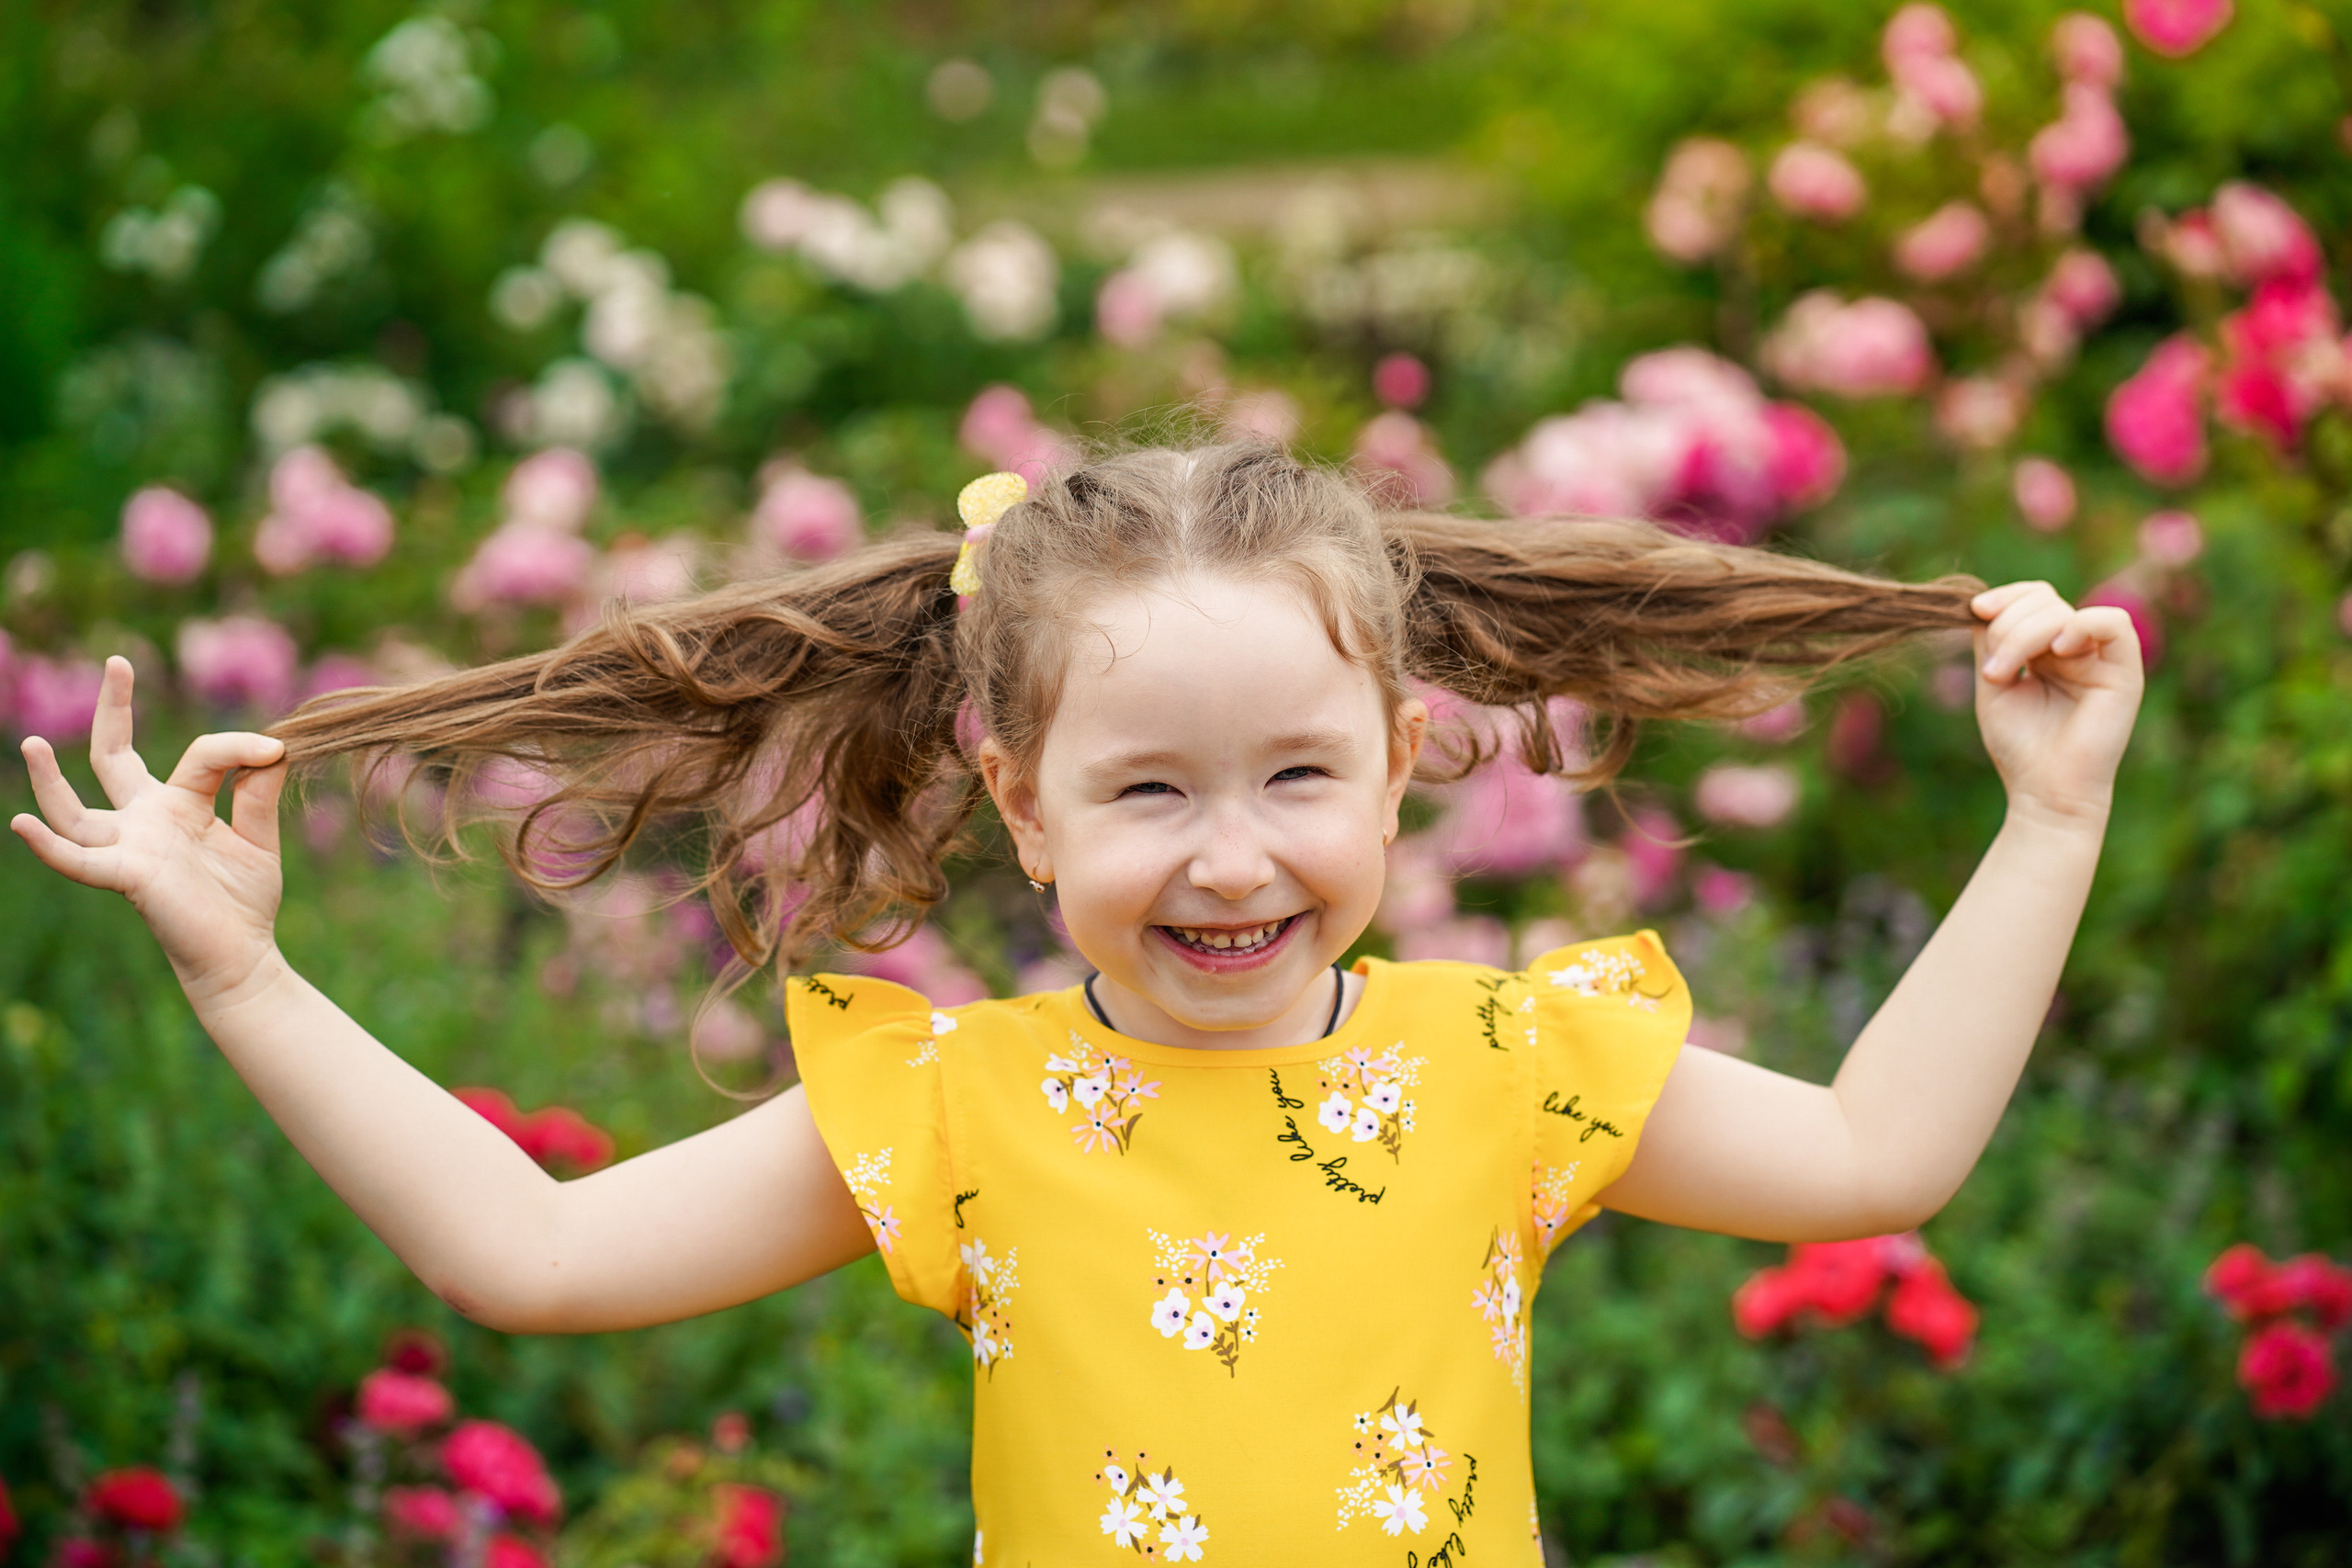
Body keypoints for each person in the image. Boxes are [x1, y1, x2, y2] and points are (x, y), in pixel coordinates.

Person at [11, 443, 2142, 1562]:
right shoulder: (962, 1097)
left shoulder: (1504, 1060)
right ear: (1023, 806)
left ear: (1401, 763)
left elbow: (1873, 1154)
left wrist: (2046, 820)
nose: (1228, 856)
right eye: (1145, 790)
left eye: (1295, 775)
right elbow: (532, 1254)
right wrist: (243, 970)